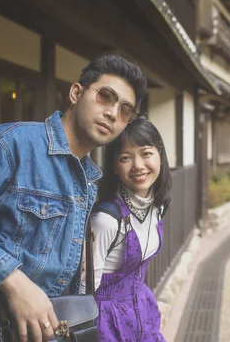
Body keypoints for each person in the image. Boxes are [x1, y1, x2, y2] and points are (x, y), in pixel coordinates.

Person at [0, 54, 147, 341]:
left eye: (126, 110)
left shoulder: (88, 178)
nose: (113, 113)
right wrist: (12, 280)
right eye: (105, 96)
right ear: (76, 94)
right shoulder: (11, 145)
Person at [83, 117, 171, 341]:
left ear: (160, 155)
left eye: (146, 153)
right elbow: (84, 289)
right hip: (107, 324)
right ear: (114, 165)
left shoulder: (156, 208)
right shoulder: (106, 220)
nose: (138, 166)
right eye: (125, 157)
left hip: (144, 316)